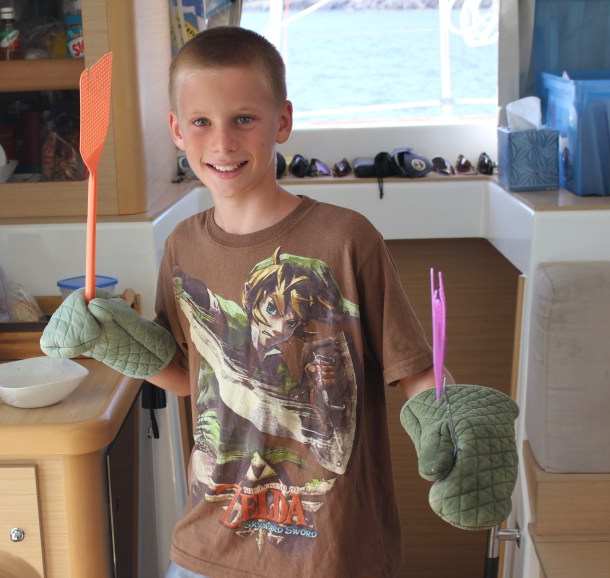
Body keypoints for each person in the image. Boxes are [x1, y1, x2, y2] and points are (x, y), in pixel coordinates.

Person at [146, 26, 438, 577]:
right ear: (177, 131)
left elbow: (416, 372)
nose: (222, 143)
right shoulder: (182, 246)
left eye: (244, 119)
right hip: (208, 547)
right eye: (202, 122)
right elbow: (190, 376)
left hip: (329, 554)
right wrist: (119, 348)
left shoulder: (347, 239)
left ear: (282, 121)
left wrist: (451, 426)